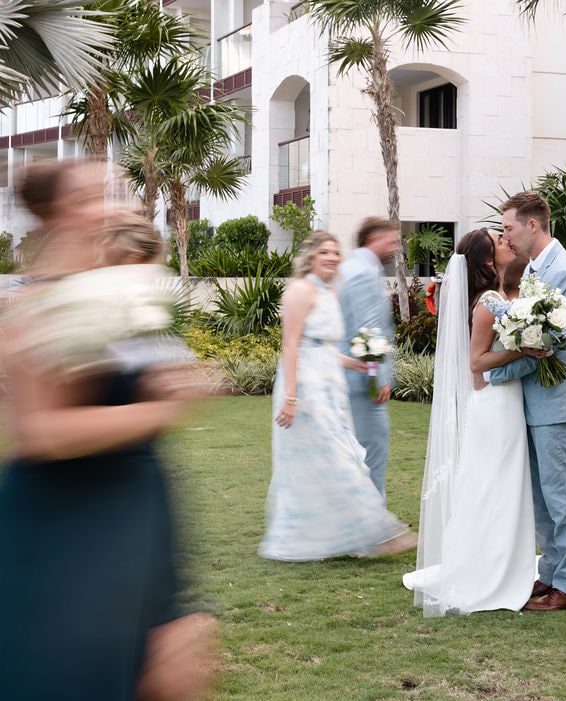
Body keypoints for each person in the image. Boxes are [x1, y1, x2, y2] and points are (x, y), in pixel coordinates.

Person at [0, 160, 216, 700]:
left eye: (116, 192)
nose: (116, 204)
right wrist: (160, 411)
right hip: (68, 520)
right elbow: (43, 432)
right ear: (58, 214)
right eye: (96, 195)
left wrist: (170, 376)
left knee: (169, 672)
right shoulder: (36, 307)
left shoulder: (125, 293)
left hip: (139, 506)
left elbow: (154, 368)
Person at [259, 231, 415, 561]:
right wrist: (290, 397)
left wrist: (355, 364)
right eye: (325, 252)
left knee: (328, 460)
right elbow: (292, 345)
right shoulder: (300, 290)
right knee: (338, 457)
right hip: (305, 388)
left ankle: (331, 536)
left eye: (335, 252)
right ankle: (378, 530)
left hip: (330, 386)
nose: (331, 257)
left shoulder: (329, 292)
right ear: (311, 256)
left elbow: (324, 346)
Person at [403, 229, 536, 616]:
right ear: (487, 259)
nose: (505, 239)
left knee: (500, 485)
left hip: (503, 404)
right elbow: (475, 364)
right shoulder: (489, 303)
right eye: (498, 238)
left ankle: (504, 564)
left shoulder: (500, 297)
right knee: (495, 486)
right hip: (496, 406)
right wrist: (522, 350)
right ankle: (491, 573)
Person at [485, 191, 566, 612]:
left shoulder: (565, 271)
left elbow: (544, 347)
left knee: (562, 493)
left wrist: (493, 370)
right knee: (541, 496)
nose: (505, 236)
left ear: (533, 225)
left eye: (509, 227)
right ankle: (551, 574)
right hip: (533, 400)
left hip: (556, 399)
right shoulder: (533, 268)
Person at [338, 217, 400, 500]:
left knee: (355, 454)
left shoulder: (351, 268)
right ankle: (375, 527)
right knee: (372, 451)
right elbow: (368, 330)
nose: (395, 247)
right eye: (392, 240)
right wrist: (378, 379)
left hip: (349, 379)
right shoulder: (363, 273)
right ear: (373, 240)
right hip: (363, 383)